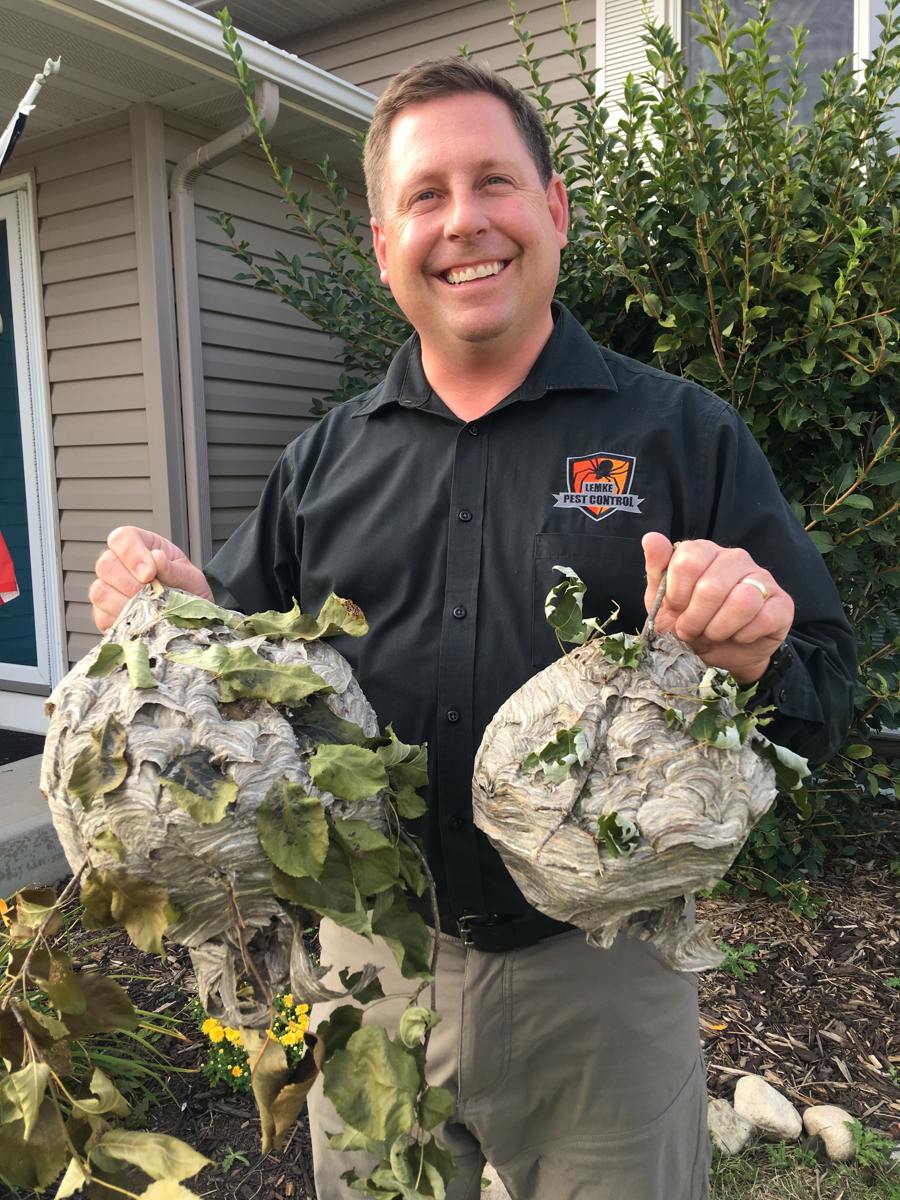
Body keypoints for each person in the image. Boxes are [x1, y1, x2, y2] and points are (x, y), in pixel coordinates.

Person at [90, 58, 855, 1200]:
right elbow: (241, 666)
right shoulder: (323, 465)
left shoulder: (684, 435)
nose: (465, 223)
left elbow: (825, 693)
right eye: (426, 195)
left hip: (604, 980)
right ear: (383, 238)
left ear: (553, 208)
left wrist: (753, 658)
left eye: (494, 181)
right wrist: (169, 608)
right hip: (371, 969)